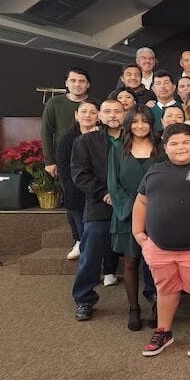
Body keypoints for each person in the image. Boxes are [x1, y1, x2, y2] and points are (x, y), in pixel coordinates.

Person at [133, 123, 190, 357]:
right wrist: (139, 234)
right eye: (174, 143)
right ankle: (163, 331)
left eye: (186, 142)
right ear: (165, 147)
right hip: (159, 247)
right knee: (165, 290)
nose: (181, 147)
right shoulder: (154, 171)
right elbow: (142, 202)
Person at [70, 99, 125, 321]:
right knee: (91, 250)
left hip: (132, 204)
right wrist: (104, 193)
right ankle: (84, 299)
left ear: (125, 114)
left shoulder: (135, 139)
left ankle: (151, 295)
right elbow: (79, 174)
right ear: (99, 116)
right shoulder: (85, 141)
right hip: (99, 204)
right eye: (108, 111)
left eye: (118, 111)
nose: (113, 115)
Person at [107, 105, 161, 331]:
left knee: (158, 263)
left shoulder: (161, 148)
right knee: (130, 261)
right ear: (128, 124)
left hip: (158, 212)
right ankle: (133, 309)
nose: (140, 126)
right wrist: (132, 208)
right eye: (135, 121)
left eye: (145, 121)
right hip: (127, 212)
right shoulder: (118, 148)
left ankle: (159, 307)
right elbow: (113, 183)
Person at [56, 100, 99, 260]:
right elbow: (64, 170)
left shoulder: (103, 137)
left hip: (98, 192)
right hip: (76, 191)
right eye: (84, 112)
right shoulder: (67, 139)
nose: (88, 115)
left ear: (99, 116)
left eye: (92, 112)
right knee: (84, 235)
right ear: (76, 115)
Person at [42, 67, 90, 177]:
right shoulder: (54, 103)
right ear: (66, 83)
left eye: (82, 81)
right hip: (63, 157)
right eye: (73, 81)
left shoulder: (96, 104)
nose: (77, 84)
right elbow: (46, 132)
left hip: (90, 158)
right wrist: (49, 161)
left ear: (88, 84)